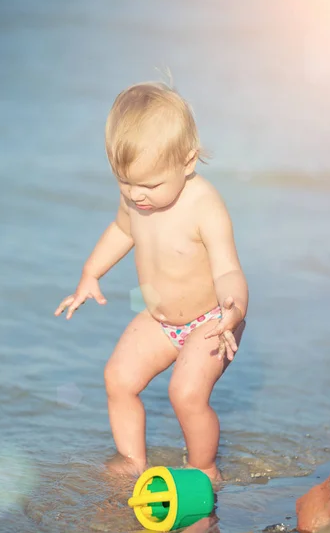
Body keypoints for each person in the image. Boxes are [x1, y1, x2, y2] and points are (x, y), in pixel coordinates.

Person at [54, 81, 248, 482]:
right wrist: (90, 274)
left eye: (150, 185)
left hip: (211, 320)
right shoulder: (134, 199)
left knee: (186, 394)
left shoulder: (204, 205)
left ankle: (203, 467)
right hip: (160, 318)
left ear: (188, 161)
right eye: (126, 183)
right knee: (118, 378)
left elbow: (229, 269)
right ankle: (132, 460)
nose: (137, 195)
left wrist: (233, 310)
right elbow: (120, 231)